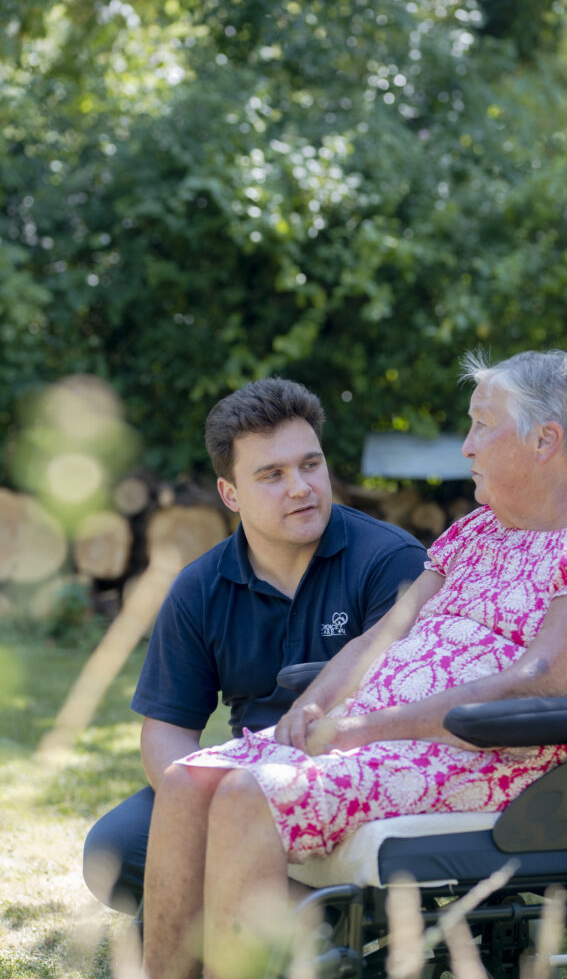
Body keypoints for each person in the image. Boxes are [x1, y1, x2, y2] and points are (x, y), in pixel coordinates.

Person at [142, 350, 567, 979]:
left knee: (249, 795)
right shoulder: (480, 531)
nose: (467, 447)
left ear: (545, 439)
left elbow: (546, 683)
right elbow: (380, 636)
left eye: (481, 425)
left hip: (497, 760)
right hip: (387, 740)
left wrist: (369, 729)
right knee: (185, 784)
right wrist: (320, 701)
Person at [82, 378, 426, 913]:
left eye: (311, 465)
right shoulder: (199, 587)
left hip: (354, 783)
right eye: (272, 474)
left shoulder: (392, 562)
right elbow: (167, 733)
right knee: (115, 851)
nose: (300, 487)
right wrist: (205, 804)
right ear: (230, 494)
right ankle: (295, 920)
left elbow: (406, 713)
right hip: (241, 778)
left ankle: (291, 923)